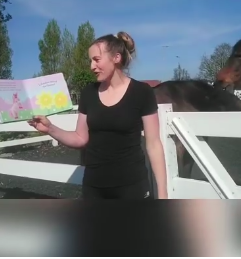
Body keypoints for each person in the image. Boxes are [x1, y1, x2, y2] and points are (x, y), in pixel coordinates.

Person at [27, 31, 168, 199]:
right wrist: (50, 128)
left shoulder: (142, 92)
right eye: (90, 60)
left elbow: (154, 145)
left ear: (116, 58)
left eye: (96, 59)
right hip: (94, 187)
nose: (91, 66)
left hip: (132, 186)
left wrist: (163, 193)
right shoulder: (88, 93)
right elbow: (80, 138)